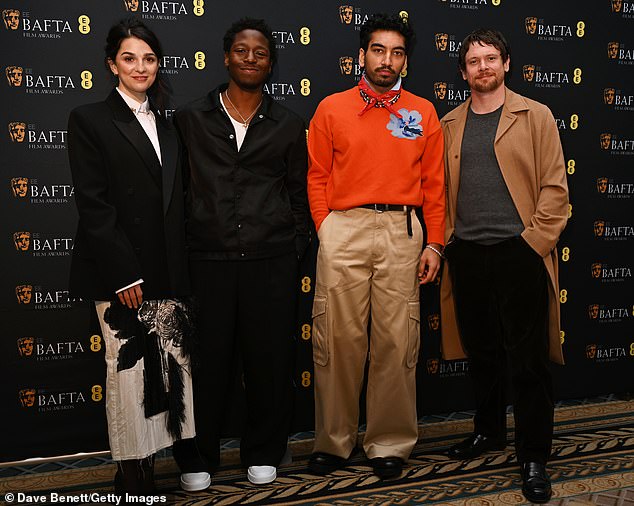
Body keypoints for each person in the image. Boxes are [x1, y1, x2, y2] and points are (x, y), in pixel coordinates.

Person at [67, 18, 210, 495]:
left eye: (148, 58)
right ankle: (131, 470)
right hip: (120, 274)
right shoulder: (89, 119)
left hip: (168, 271)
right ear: (112, 65)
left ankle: (155, 464)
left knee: (167, 372)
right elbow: (95, 205)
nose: (140, 66)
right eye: (129, 58)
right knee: (127, 374)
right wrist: (124, 273)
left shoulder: (170, 125)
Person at [307, 13, 445, 480]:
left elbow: (435, 186)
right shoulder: (331, 108)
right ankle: (335, 440)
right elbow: (317, 176)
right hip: (344, 228)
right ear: (362, 55)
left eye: (398, 52)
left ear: (406, 60)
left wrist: (437, 243)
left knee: (396, 340)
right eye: (379, 50)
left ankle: (389, 441)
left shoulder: (423, 112)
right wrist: (327, 228)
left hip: (402, 232)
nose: (388, 60)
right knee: (338, 340)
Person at [174, 18, 310, 485]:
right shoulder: (190, 119)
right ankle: (197, 457)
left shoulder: (289, 124)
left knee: (270, 360)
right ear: (226, 56)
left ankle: (265, 449)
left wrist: (293, 246)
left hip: (270, 261)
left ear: (271, 63)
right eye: (241, 50)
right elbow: (177, 192)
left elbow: (298, 194)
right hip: (206, 260)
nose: (250, 58)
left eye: (260, 53)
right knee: (204, 364)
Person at [439, 28, 569, 504]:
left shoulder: (536, 115)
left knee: (528, 361)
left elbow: (556, 189)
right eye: (473, 61)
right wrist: (449, 243)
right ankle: (488, 431)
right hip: (468, 254)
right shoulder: (449, 122)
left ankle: (534, 454)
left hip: (519, 253)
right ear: (463, 71)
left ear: (507, 63)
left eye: (491, 59)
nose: (483, 68)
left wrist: (531, 244)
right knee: (484, 355)